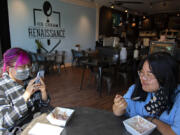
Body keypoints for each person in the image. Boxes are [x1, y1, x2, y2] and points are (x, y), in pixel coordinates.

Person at [113, 52, 180, 135]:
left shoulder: (178, 98)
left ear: (165, 77)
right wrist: (119, 107)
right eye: (141, 72)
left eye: (149, 74)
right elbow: (117, 112)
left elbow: (175, 133)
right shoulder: (136, 89)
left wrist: (152, 120)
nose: (143, 78)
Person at [0, 48, 50, 134]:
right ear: (8, 69)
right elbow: (4, 122)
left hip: (36, 123)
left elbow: (44, 105)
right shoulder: (2, 88)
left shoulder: (29, 80)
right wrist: (26, 96)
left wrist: (43, 91)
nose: (27, 69)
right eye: (22, 66)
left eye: (28, 65)